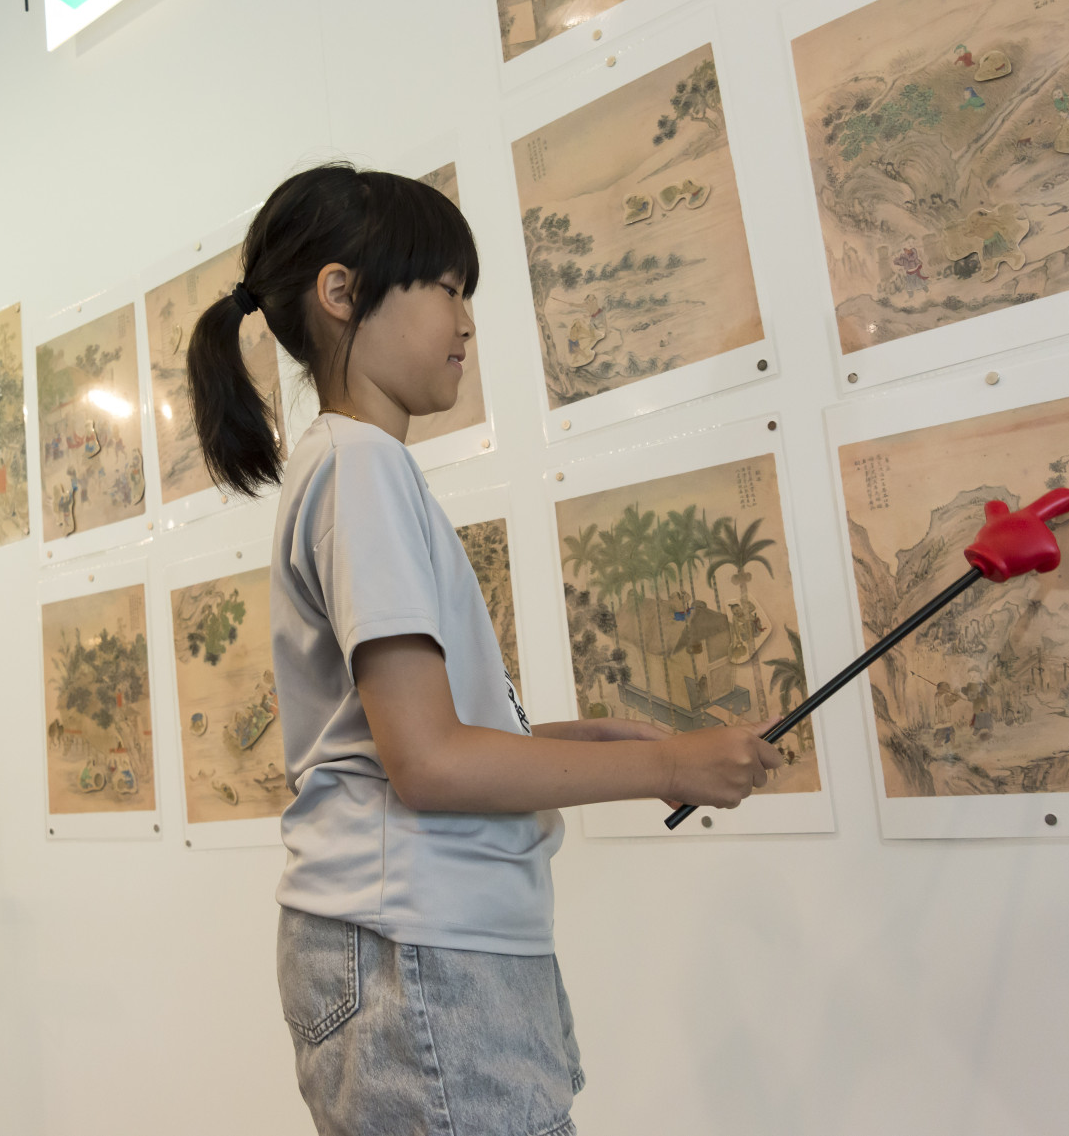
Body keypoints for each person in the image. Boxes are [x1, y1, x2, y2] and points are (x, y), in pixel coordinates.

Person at [185, 164, 783, 1135]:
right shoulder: (361, 466)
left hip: (422, 944)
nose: (466, 323)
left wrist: (581, 743)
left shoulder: (356, 467)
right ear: (341, 292)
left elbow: (404, 741)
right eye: (447, 288)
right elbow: (428, 763)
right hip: (418, 949)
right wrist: (668, 765)